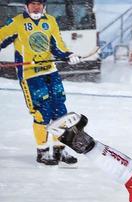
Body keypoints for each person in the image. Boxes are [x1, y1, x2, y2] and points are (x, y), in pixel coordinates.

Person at [0, 0, 83, 165]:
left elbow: (57, 45)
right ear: (26, 6)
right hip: (30, 75)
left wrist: (68, 55)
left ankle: (60, 150)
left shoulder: (50, 20)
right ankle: (43, 152)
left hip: (50, 71)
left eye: (39, 4)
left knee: (60, 111)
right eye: (33, 4)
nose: (36, 7)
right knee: (42, 112)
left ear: (44, 6)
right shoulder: (17, 22)